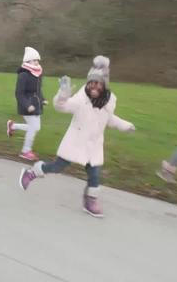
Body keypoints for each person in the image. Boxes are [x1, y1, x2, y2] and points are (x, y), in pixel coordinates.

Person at [18, 56, 136, 218]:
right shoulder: (81, 99)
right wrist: (63, 95)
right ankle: (33, 172)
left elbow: (110, 119)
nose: (94, 87)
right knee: (57, 167)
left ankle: (90, 201)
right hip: (75, 142)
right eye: (91, 83)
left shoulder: (108, 102)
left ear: (104, 85)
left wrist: (126, 125)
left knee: (95, 175)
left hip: (93, 146)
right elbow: (62, 106)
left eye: (98, 84)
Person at [7, 47, 46, 162]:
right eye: (34, 60)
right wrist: (27, 105)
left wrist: (43, 99)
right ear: (27, 62)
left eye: (37, 60)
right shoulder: (23, 75)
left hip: (36, 105)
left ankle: (12, 126)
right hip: (26, 107)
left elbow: (38, 90)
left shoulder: (38, 74)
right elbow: (19, 94)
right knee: (33, 128)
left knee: (36, 128)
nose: (37, 62)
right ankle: (26, 151)